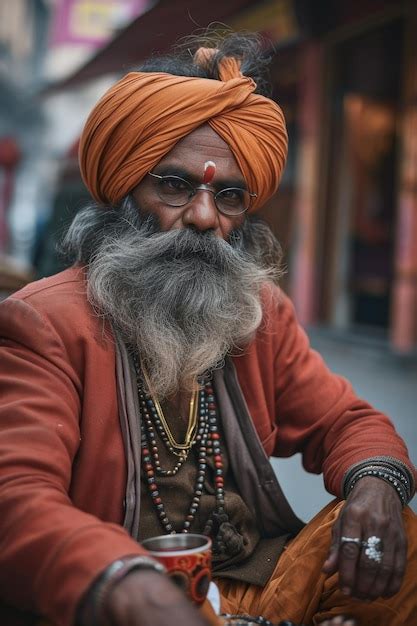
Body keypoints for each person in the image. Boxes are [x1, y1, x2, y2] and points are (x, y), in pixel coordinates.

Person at [0, 32, 416, 626]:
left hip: (251, 584)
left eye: (228, 196)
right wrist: (128, 586)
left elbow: (347, 422)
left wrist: (376, 484)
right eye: (173, 185)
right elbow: (15, 498)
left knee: (397, 534)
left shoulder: (257, 311)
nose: (202, 217)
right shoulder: (45, 322)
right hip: (127, 599)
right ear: (123, 190)